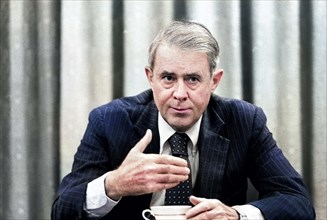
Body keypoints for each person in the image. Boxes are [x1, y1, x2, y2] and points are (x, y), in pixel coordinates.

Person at [52, 20, 315, 220]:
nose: (179, 94)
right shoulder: (108, 121)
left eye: (192, 79)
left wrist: (235, 215)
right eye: (168, 78)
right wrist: (114, 184)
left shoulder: (244, 121)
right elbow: (62, 209)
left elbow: (297, 203)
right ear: (150, 78)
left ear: (214, 81)